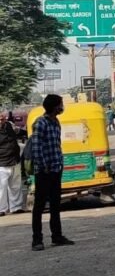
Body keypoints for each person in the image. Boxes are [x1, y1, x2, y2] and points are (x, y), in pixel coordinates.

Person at [30, 95, 74, 251]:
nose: (62, 107)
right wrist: (43, 166)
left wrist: (59, 164)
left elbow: (56, 145)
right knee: (40, 206)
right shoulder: (40, 123)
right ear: (55, 106)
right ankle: (37, 240)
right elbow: (36, 147)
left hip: (56, 168)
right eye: (61, 104)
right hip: (44, 171)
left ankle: (57, 235)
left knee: (56, 204)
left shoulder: (56, 122)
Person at [0, 110, 27, 217]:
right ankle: (1, 209)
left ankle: (16, 207)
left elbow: (20, 132)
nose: (1, 119)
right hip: (1, 163)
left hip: (14, 160)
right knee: (1, 187)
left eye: (2, 117)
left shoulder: (9, 126)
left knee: (15, 185)